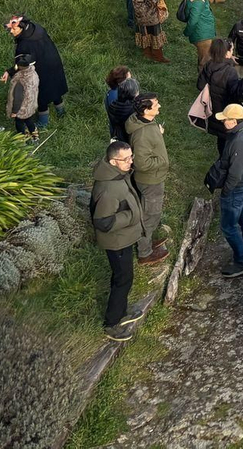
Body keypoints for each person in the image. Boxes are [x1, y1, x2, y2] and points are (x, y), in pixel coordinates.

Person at [90, 139, 146, 340]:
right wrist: (132, 215)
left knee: (122, 277)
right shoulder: (108, 189)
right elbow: (103, 222)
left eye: (131, 156)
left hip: (123, 238)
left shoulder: (118, 175)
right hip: (116, 241)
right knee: (123, 279)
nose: (130, 161)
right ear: (113, 161)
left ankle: (122, 310)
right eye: (125, 159)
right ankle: (111, 323)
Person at [209, 102, 243, 277]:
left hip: (237, 188)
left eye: (226, 120)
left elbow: (235, 173)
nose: (223, 122)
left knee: (228, 227)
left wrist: (226, 191)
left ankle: (242, 261)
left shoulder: (239, 141)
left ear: (235, 120)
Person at [6, 14, 68, 126]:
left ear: (21, 27)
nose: (11, 31)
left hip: (41, 69)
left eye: (14, 28)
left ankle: (43, 122)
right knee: (55, 87)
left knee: (41, 94)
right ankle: (61, 111)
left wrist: (10, 71)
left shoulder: (24, 44)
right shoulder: (36, 28)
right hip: (53, 61)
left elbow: (22, 63)